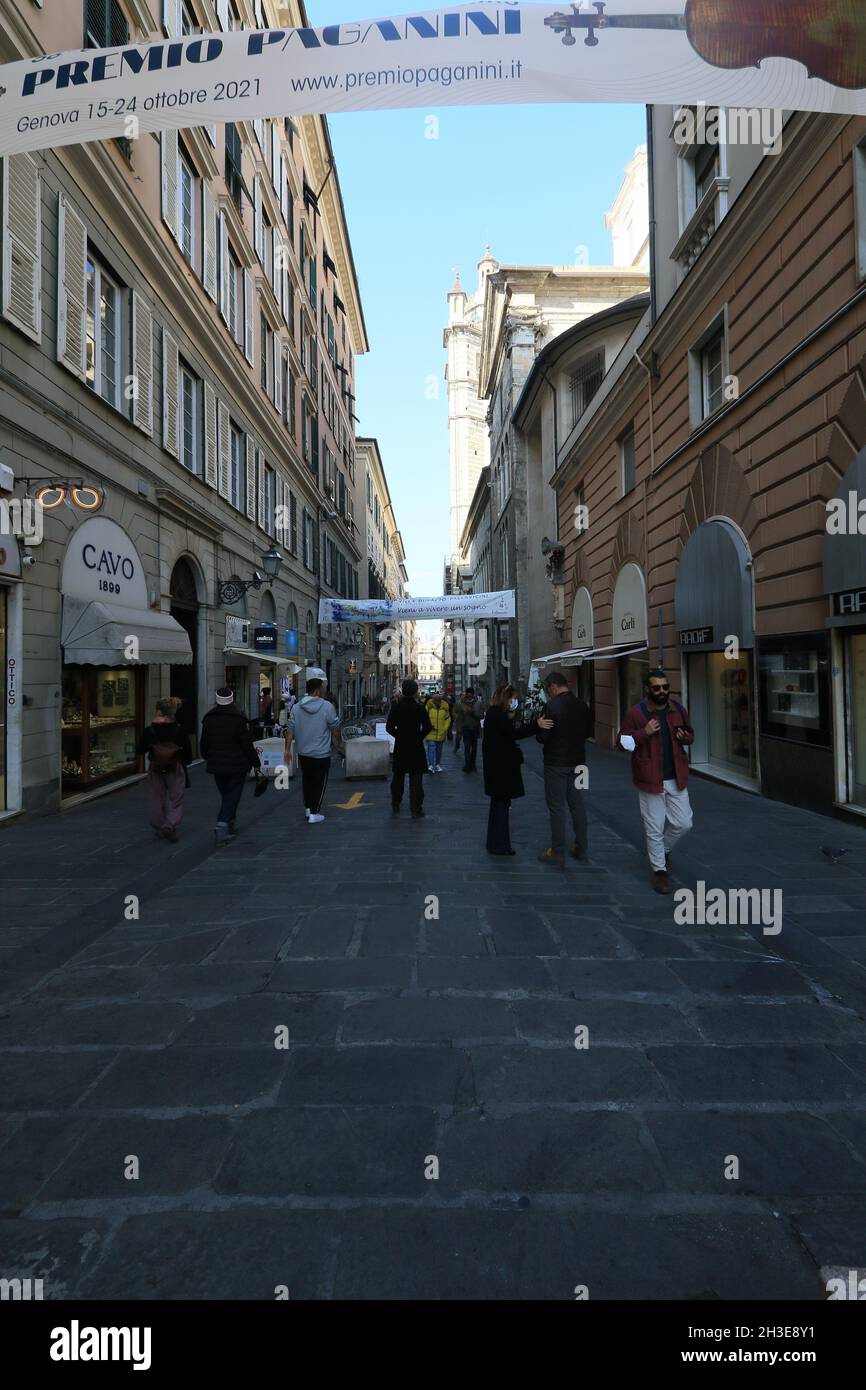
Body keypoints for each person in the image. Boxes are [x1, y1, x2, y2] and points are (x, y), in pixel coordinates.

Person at [618, 668, 695, 894]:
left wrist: (685, 737)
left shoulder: (678, 709)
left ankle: (663, 851)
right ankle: (659, 871)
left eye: (665, 687)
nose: (662, 691)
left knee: (684, 823)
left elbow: (690, 734)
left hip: (676, 777)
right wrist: (644, 732)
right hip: (650, 777)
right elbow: (622, 743)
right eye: (657, 688)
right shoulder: (636, 713)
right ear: (647, 689)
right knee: (654, 827)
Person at [535, 671, 594, 866]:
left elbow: (543, 737)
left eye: (547, 689)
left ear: (552, 686)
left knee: (557, 807)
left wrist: (538, 729)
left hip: (556, 763)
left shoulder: (551, 706)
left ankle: (558, 851)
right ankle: (581, 848)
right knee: (578, 805)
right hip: (579, 762)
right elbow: (587, 732)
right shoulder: (582, 706)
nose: (548, 693)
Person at [200, 686, 261, 847]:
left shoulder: (208, 719)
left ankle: (230, 822)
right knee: (232, 794)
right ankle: (222, 824)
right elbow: (247, 744)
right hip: (237, 764)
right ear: (232, 700)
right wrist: (256, 762)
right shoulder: (238, 720)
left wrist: (208, 757)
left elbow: (204, 744)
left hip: (217, 765)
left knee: (226, 793)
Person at [481, 684, 536, 855]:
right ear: (506, 698)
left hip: (496, 767)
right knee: (502, 806)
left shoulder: (494, 714)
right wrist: (536, 726)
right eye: (513, 698)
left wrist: (510, 717)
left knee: (498, 804)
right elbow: (512, 734)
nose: (515, 702)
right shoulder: (497, 715)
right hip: (501, 769)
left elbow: (504, 734)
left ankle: (494, 843)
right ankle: (500, 845)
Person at [285, 677, 343, 824]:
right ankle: (314, 812)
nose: (324, 690)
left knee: (307, 781)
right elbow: (335, 727)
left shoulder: (296, 707)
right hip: (321, 753)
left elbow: (290, 730)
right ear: (317, 690)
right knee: (319, 783)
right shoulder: (327, 706)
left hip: (303, 753)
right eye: (322, 688)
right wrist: (340, 742)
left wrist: (287, 750)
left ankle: (308, 808)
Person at [138, 698, 192, 843]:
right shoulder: (179, 730)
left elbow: (139, 749)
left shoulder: (150, 730)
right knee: (176, 799)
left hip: (155, 766)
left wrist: (152, 747)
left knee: (156, 797)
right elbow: (188, 752)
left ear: (159, 711)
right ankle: (169, 825)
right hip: (174, 767)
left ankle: (159, 824)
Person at [387, 677, 432, 816]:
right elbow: (428, 727)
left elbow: (389, 727)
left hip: (401, 745)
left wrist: (398, 735)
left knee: (398, 777)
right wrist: (419, 737)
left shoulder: (396, 707)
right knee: (416, 778)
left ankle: (396, 803)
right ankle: (415, 809)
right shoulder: (419, 708)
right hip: (415, 746)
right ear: (415, 692)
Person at [453, 689, 484, 773]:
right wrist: (459, 729)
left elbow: (481, 716)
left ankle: (473, 765)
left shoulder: (478, 703)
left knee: (474, 748)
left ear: (473, 694)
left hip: (475, 728)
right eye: (468, 694)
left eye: (470, 694)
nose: (469, 695)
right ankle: (467, 765)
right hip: (466, 728)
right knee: (467, 747)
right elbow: (459, 718)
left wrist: (473, 712)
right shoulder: (462, 704)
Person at [423, 693, 451, 773]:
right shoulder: (428, 708)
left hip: (441, 732)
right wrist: (429, 726)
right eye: (436, 700)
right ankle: (431, 765)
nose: (437, 702)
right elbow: (425, 718)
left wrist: (444, 729)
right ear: (433, 700)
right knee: (431, 748)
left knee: (439, 750)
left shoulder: (445, 708)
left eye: (439, 700)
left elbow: (447, 719)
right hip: (431, 732)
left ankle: (437, 764)